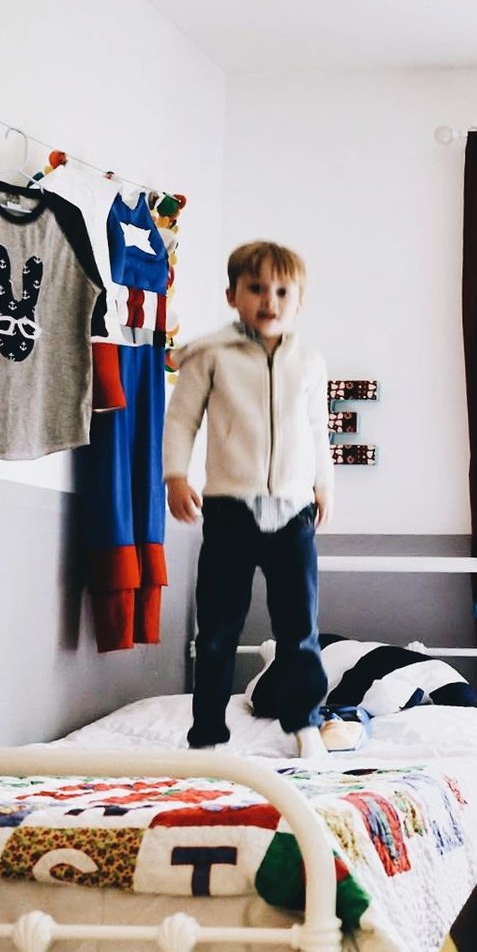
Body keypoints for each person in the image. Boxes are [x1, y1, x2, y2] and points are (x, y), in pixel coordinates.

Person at [165, 241, 334, 753]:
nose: (270, 300)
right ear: (232, 296)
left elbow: (316, 429)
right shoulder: (211, 355)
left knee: (298, 628)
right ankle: (207, 737)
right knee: (217, 629)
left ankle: (305, 723)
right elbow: (181, 418)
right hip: (229, 510)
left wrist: (323, 484)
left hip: (293, 513)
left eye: (282, 291)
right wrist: (176, 476)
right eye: (256, 288)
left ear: (298, 302)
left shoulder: (308, 361)